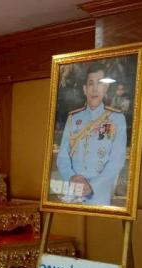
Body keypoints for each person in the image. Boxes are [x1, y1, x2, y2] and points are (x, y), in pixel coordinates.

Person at [56, 62, 128, 206]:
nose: (95, 89)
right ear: (85, 89)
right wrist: (71, 177)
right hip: (72, 194)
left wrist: (92, 185)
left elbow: (117, 161)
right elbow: (62, 156)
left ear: (105, 88)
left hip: (98, 196)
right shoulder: (73, 118)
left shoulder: (116, 119)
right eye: (91, 83)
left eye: (99, 83)